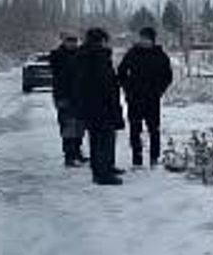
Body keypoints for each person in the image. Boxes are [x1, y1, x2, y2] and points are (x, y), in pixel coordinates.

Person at [73, 27, 125, 186]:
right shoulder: (97, 56)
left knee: (98, 138)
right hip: (102, 104)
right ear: (101, 40)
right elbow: (104, 82)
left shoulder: (83, 56)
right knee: (104, 138)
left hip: (92, 105)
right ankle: (103, 173)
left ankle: (104, 167)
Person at [116, 26, 174, 167]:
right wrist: (127, 88)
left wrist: (159, 90)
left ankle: (154, 158)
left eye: (147, 39)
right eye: (142, 38)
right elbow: (121, 72)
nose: (144, 41)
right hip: (134, 98)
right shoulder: (132, 53)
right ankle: (137, 158)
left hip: (152, 99)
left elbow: (168, 76)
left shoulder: (160, 55)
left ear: (153, 40)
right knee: (135, 129)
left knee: (154, 129)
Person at [47, 32, 86, 167]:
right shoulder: (57, 55)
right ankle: (69, 156)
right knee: (68, 126)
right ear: (64, 41)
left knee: (80, 126)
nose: (72, 44)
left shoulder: (81, 55)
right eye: (69, 41)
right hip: (63, 96)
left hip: (80, 96)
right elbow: (59, 75)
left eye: (74, 41)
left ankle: (77, 152)